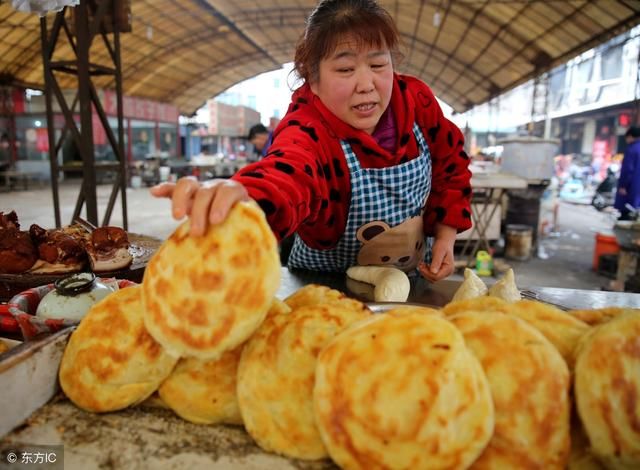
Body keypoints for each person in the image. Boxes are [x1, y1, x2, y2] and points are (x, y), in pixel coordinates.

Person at [151, 0, 472, 282]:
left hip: (409, 282)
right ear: (312, 79)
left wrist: (445, 235)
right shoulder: (307, 127)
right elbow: (288, 173)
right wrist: (247, 200)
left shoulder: (417, 103)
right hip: (324, 289)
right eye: (345, 69)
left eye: (378, 64)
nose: (366, 84)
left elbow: (451, 164)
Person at [614, 126, 640, 220]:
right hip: (637, 189)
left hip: (630, 187)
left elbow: (628, 169)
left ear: (630, 136)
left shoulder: (632, 149)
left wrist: (624, 186)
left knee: (626, 213)